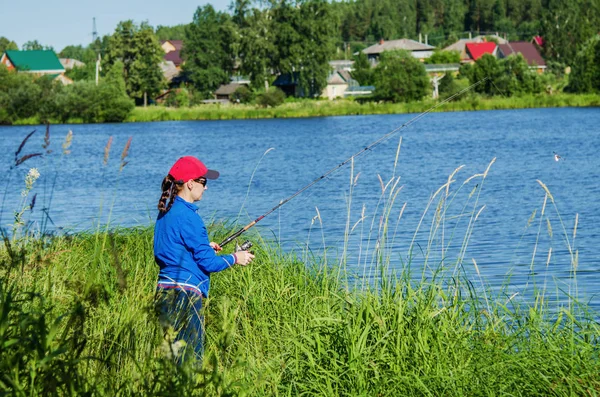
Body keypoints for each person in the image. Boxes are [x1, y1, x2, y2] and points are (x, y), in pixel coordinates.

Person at [153, 156, 254, 361]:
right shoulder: (190, 217)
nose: (206, 188)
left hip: (164, 292)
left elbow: (166, 250)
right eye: (203, 182)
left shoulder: (166, 211)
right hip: (184, 295)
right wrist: (236, 258)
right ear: (190, 184)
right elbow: (209, 263)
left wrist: (202, 248)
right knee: (190, 360)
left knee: (173, 360)